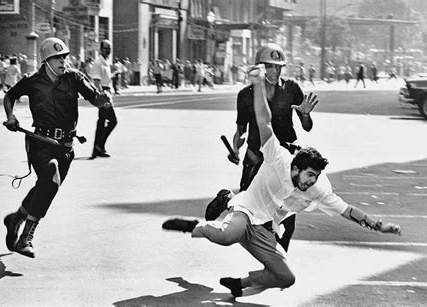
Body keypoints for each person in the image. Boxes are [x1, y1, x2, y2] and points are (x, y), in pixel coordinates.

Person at [162, 61, 402, 297]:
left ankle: (240, 283)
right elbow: (263, 121)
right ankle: (195, 225)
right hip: (247, 212)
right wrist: (257, 83)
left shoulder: (318, 188)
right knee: (228, 235)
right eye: (309, 175)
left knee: (287, 277)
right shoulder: (278, 158)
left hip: (266, 227)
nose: (311, 182)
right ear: (296, 168)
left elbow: (347, 211)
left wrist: (378, 225)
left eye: (316, 177)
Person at [2, 37, 113, 258]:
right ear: (46, 60)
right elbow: (9, 96)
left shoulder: (74, 78)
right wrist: (11, 117)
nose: (63, 62)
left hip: (65, 147)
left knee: (44, 187)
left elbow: (94, 97)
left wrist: (102, 99)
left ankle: (16, 218)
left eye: (64, 57)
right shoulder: (32, 81)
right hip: (40, 143)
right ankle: (26, 237)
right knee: (51, 179)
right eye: (58, 58)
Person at [226, 44, 315, 251]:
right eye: (269, 67)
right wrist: (235, 149)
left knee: (288, 215)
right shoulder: (246, 95)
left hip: (285, 161)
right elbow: (240, 131)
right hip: (257, 157)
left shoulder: (292, 88)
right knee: (247, 211)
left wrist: (305, 114)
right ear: (260, 67)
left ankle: (279, 257)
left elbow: (307, 127)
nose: (274, 72)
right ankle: (226, 199)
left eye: (278, 67)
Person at [89, 40, 118, 159]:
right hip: (103, 94)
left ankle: (98, 148)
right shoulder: (98, 62)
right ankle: (99, 146)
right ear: (101, 49)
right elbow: (96, 82)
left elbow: (106, 78)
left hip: (107, 92)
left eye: (109, 48)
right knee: (112, 121)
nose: (108, 50)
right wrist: (103, 98)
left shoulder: (106, 62)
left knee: (101, 122)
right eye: (106, 48)